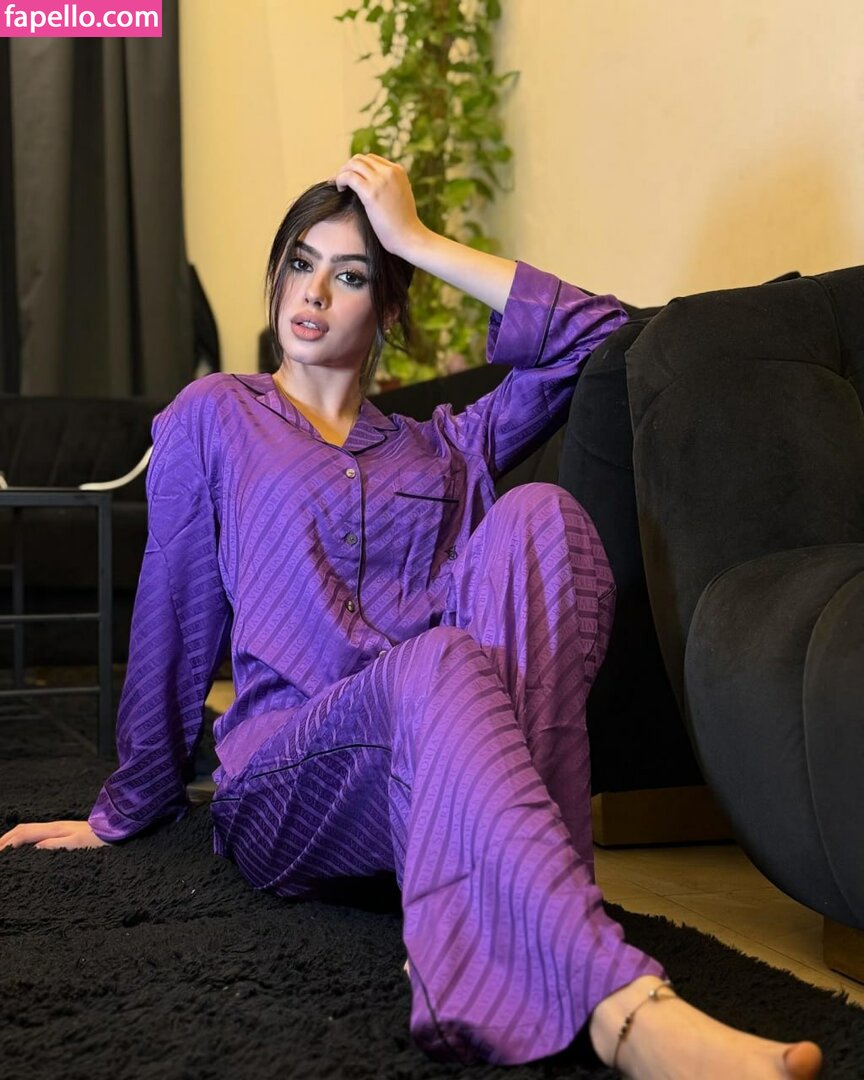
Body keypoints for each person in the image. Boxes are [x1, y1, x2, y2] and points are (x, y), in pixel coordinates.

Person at [1, 155, 822, 1078]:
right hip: (291, 783)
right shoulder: (218, 414)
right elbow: (176, 608)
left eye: (351, 275)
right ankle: (624, 1011)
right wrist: (128, 805)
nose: (313, 293)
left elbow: (602, 333)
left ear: (388, 310)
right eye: (300, 262)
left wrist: (416, 240)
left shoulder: (444, 449)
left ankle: (486, 917)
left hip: (436, 768)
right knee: (438, 662)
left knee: (540, 516)